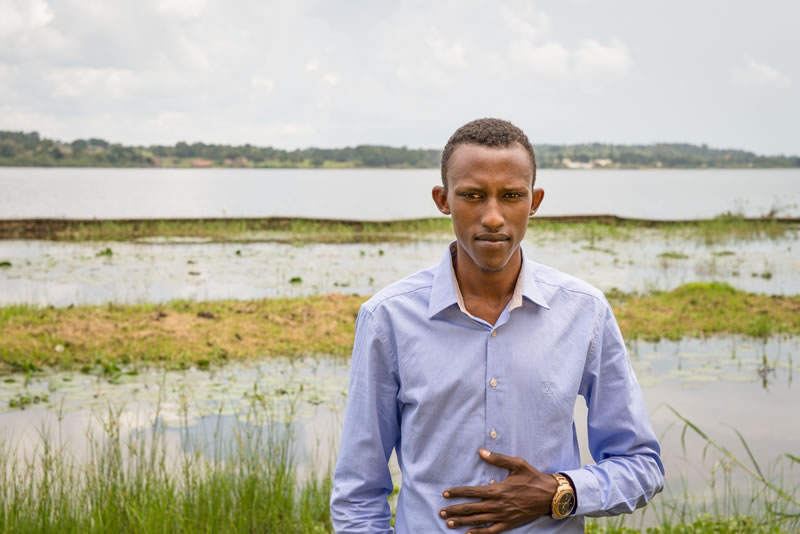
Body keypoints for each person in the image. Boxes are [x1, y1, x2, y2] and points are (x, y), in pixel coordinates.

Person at [331, 118, 664, 533]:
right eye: (472, 195)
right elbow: (358, 492)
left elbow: (642, 466)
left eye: (510, 196)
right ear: (443, 199)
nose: (493, 217)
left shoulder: (585, 312)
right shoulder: (388, 318)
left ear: (535, 200)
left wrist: (559, 492)